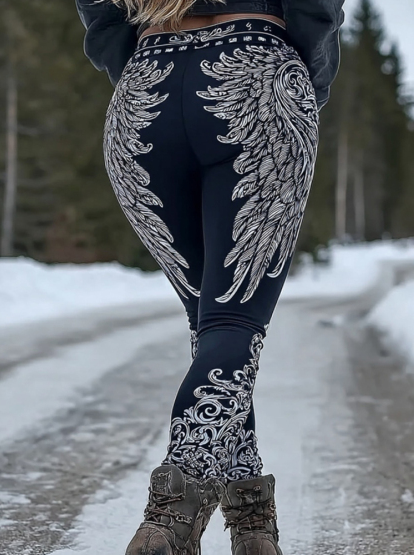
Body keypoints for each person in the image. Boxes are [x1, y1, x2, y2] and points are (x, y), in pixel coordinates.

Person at [75, 1, 345, 554]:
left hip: (146, 88)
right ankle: (170, 516)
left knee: (214, 326)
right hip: (259, 72)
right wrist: (301, 74)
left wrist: (136, 60)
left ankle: (252, 523)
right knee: (231, 322)